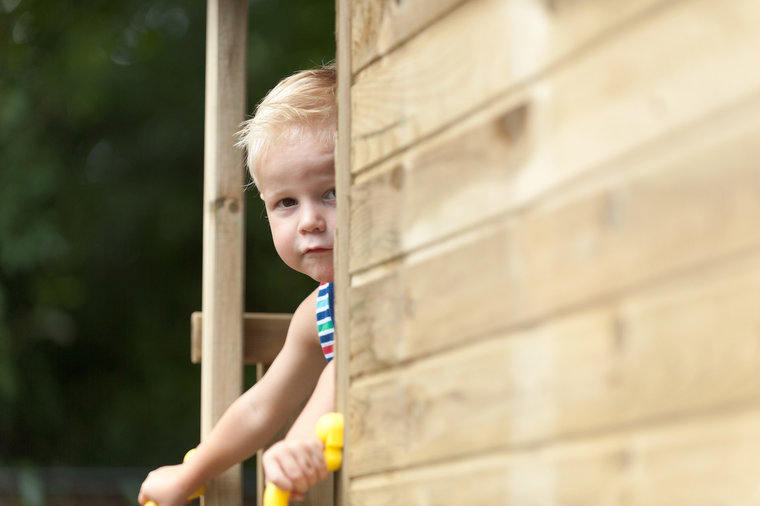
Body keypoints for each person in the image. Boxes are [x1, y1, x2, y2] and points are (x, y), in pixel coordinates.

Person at [138, 65, 338, 506]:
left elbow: (350, 361)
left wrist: (304, 438)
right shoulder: (316, 314)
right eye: (286, 202)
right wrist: (192, 471)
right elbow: (259, 407)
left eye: (332, 192)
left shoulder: (382, 284)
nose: (309, 221)